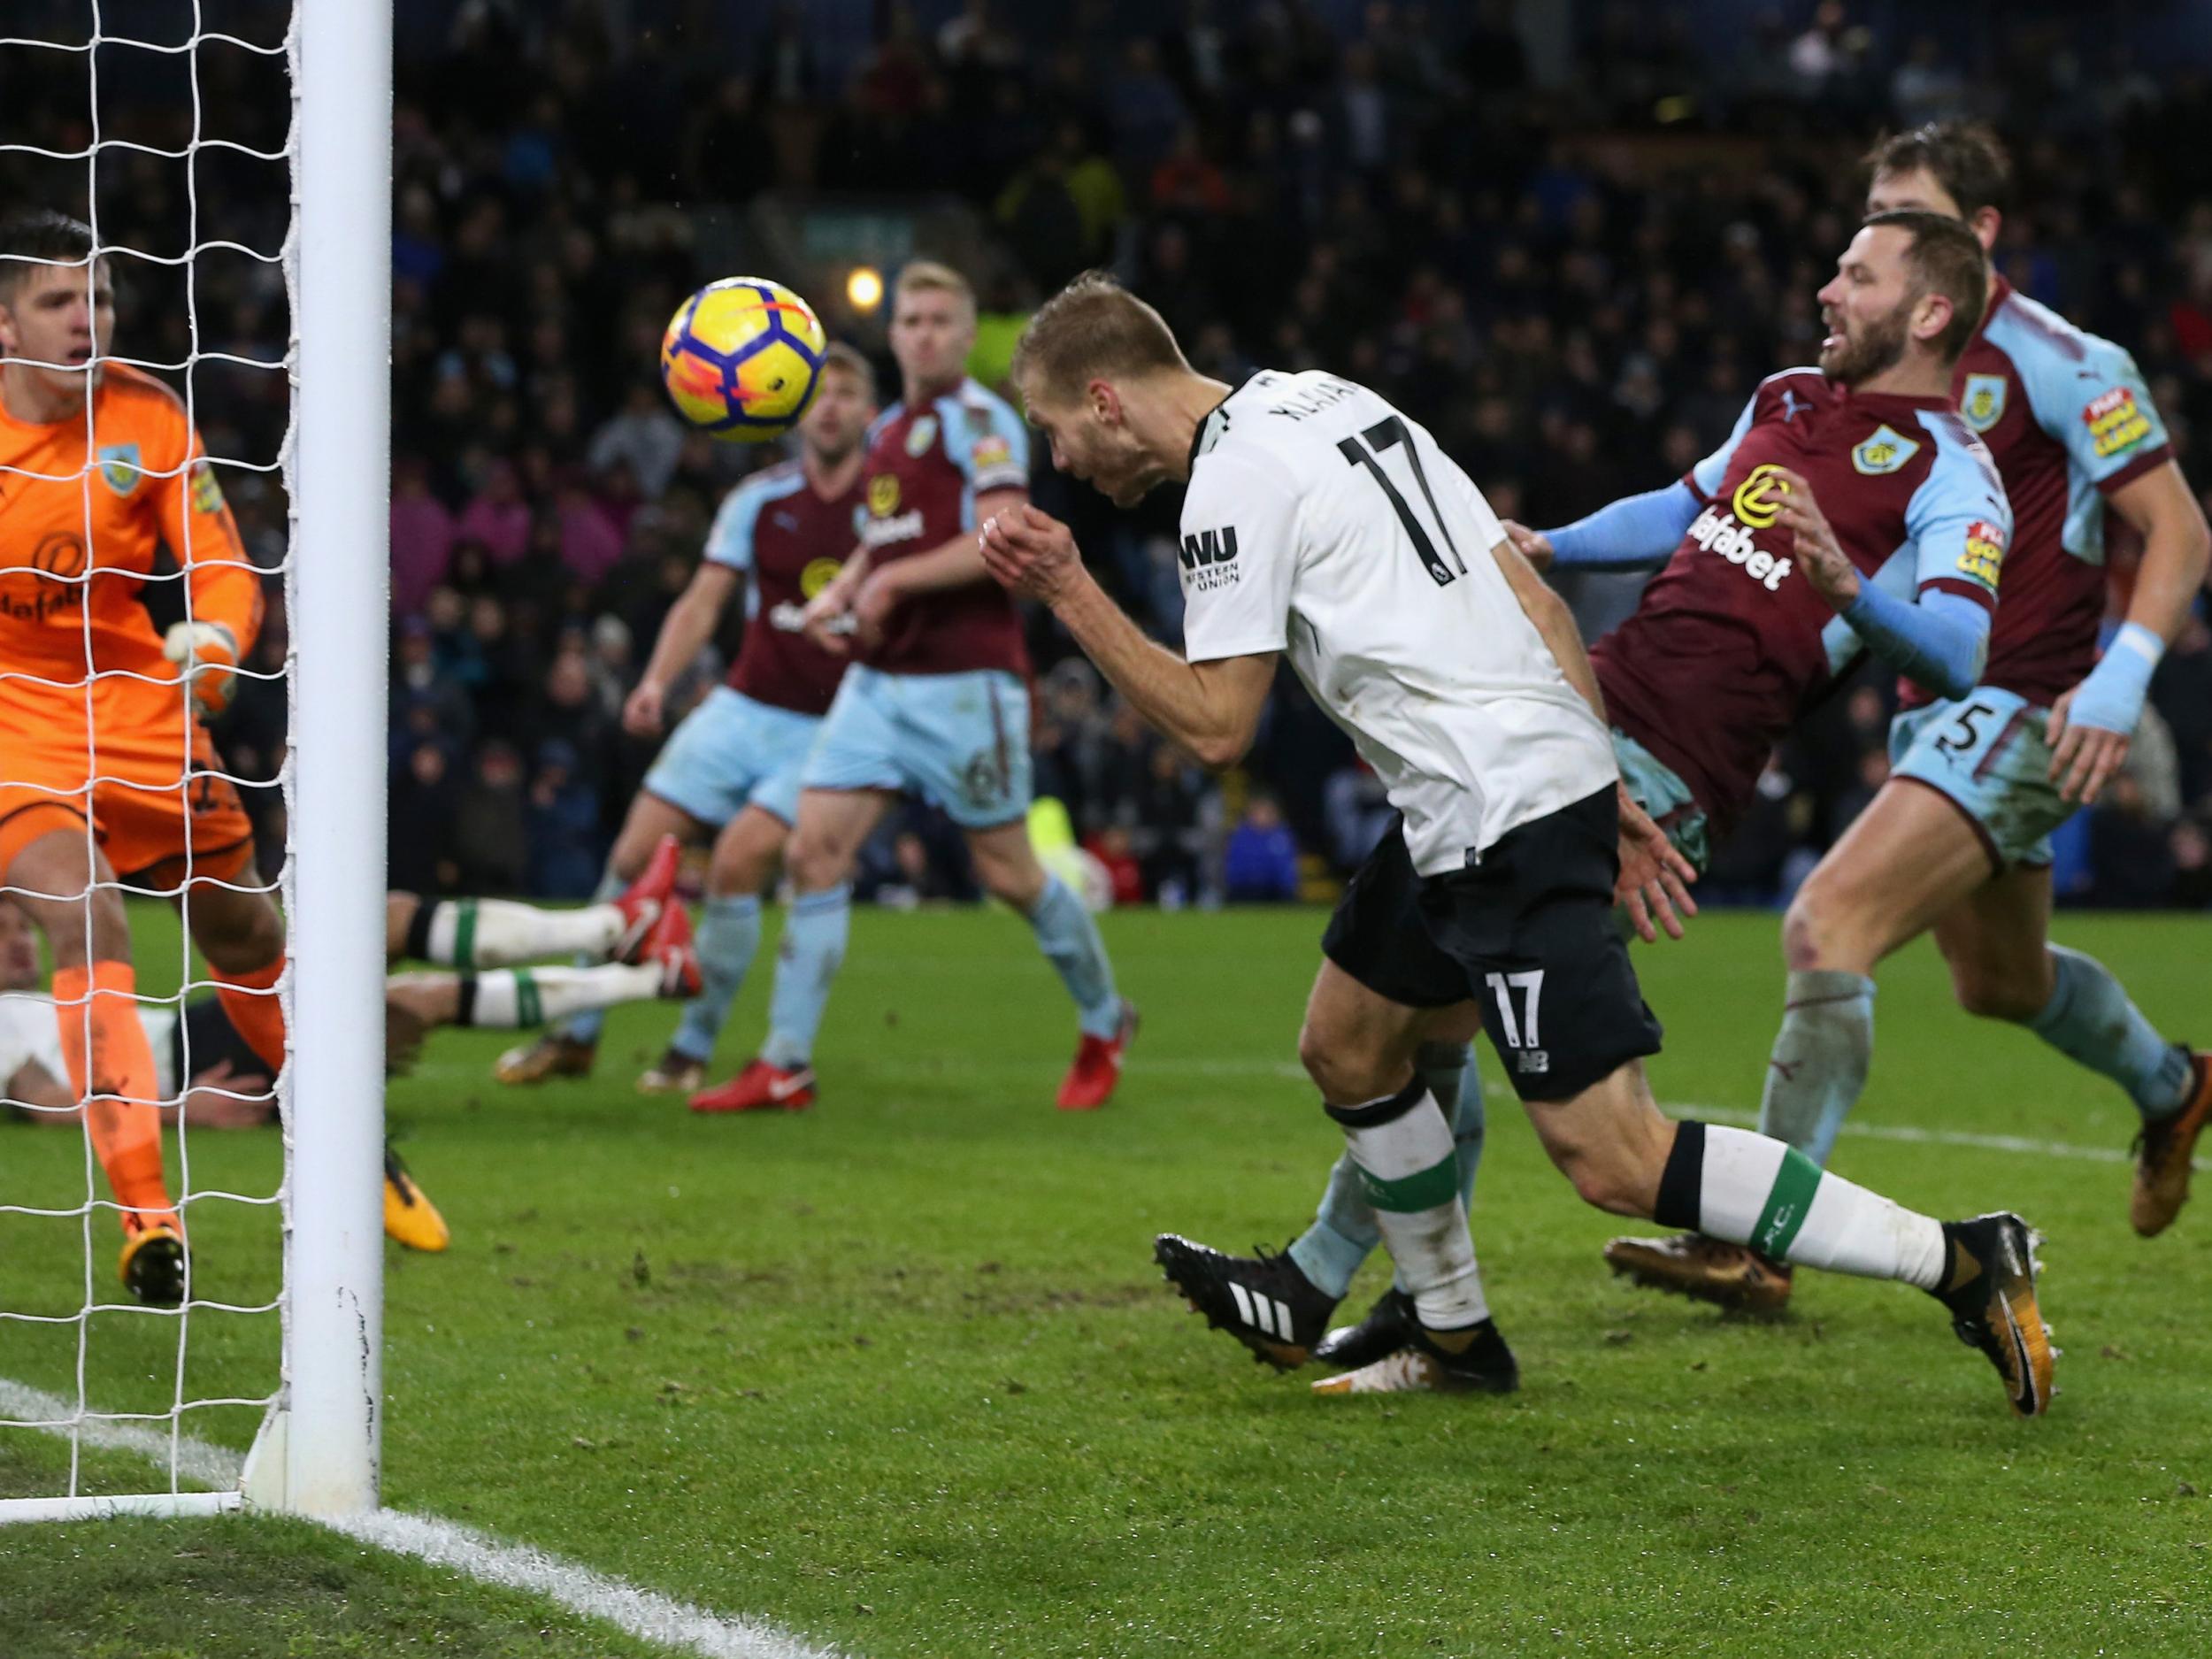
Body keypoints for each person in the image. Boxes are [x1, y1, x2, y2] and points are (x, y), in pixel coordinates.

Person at [980, 268, 2053, 1417]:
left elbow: (1214, 723)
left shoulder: (1229, 486)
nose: (1060, 463)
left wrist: (1069, 589)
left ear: (1103, 400)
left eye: (1052, 431)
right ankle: (1447, 1327)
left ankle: (1961, 1254)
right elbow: (1528, 589)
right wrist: (1600, 772)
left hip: (1503, 811)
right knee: (1349, 1040)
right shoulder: (1331, 399)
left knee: (1612, 1155)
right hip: (1491, 787)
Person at [1609, 123, 2212, 1314]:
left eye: (1904, 213)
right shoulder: (1865, 385)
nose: (1873, 240)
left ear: (1975, 238)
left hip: (2032, 707)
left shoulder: (2065, 358)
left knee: (1825, 922)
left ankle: (1756, 1239)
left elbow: (2181, 531)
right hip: (1945, 711)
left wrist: (2120, 674)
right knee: (2001, 979)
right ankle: (2173, 1082)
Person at [0, 210, 365, 1304]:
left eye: (99, 299)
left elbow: (223, 568)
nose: (86, 320)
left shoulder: (149, 417)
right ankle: (147, 1216)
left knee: (245, 925)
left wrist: (213, 634)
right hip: (13, 713)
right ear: (4, 320)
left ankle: (335, 1131)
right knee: (85, 911)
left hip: (137, 705)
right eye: (59, 301)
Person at [692, 261, 1133, 1114]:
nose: (923, 333)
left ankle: (1105, 1018)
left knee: (1009, 873)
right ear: (892, 334)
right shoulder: (887, 430)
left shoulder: (982, 420)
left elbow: (1002, 538)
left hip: (966, 684)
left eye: (939, 320)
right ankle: (785, 1060)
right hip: (880, 680)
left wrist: (890, 587)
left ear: (967, 337)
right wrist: (848, 588)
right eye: (910, 320)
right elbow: (883, 540)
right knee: (811, 849)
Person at [495, 345, 874, 1095]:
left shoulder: (890, 506)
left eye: (848, 394)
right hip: (742, 707)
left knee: (737, 863)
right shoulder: (758, 499)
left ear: (870, 412)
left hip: (834, 725)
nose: (831, 406)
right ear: (796, 407)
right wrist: (657, 681)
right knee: (634, 857)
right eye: (819, 393)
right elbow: (704, 598)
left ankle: (691, 1047)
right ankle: (575, 1030)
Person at [4, 869, 698, 1254]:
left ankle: (639, 959)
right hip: (198, 1059)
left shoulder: (37, 994)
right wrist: (186, 1107)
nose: (19, 943)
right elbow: (41, 1102)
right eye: (0, 932)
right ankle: (623, 940)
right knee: (392, 958)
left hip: (201, 1035)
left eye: (18, 926)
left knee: (398, 975)